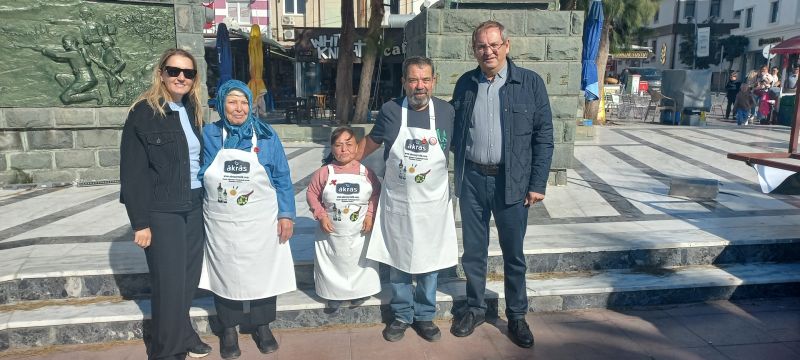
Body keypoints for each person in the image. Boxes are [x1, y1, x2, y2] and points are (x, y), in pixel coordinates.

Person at [449, 20, 554, 349]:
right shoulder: (466, 84)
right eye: (481, 46)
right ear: (474, 49)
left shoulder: (530, 83)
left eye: (494, 44)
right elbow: (454, 131)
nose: (488, 51)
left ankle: (517, 315)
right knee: (474, 252)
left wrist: (537, 183)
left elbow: (544, 137)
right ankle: (476, 308)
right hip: (473, 181)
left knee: (513, 254)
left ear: (507, 46)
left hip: (513, 183)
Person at [357, 56, 458, 343]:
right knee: (399, 259)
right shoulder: (390, 111)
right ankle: (401, 314)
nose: (419, 86)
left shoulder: (447, 112)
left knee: (429, 261)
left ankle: (425, 315)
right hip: (399, 204)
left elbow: (460, 148)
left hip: (432, 207)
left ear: (434, 81)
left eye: (425, 80)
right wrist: (343, 163)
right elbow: (371, 143)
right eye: (413, 80)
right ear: (404, 82)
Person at [120, 48, 211, 360]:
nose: (181, 77)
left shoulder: (192, 108)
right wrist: (140, 222)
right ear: (161, 73)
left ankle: (182, 333)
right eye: (174, 71)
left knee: (187, 280)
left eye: (188, 73)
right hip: (163, 211)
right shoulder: (143, 113)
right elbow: (133, 173)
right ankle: (167, 351)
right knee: (169, 283)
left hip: (194, 205)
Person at [198, 80, 297, 359]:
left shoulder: (266, 136)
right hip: (222, 220)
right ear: (220, 104)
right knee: (225, 271)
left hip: (261, 220)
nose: (239, 108)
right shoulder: (209, 134)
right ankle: (228, 329)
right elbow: (202, 171)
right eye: (232, 101)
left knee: (263, 270)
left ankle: (262, 326)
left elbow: (281, 177)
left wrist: (286, 214)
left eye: (244, 102)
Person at [306, 127, 381, 311]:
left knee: (360, 262)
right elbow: (311, 194)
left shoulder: (367, 173)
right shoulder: (325, 172)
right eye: (338, 145)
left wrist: (370, 215)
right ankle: (333, 295)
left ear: (356, 148)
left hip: (360, 231)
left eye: (349, 144)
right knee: (334, 262)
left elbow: (376, 194)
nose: (344, 149)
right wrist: (321, 215)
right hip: (331, 232)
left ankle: (360, 292)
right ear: (332, 149)